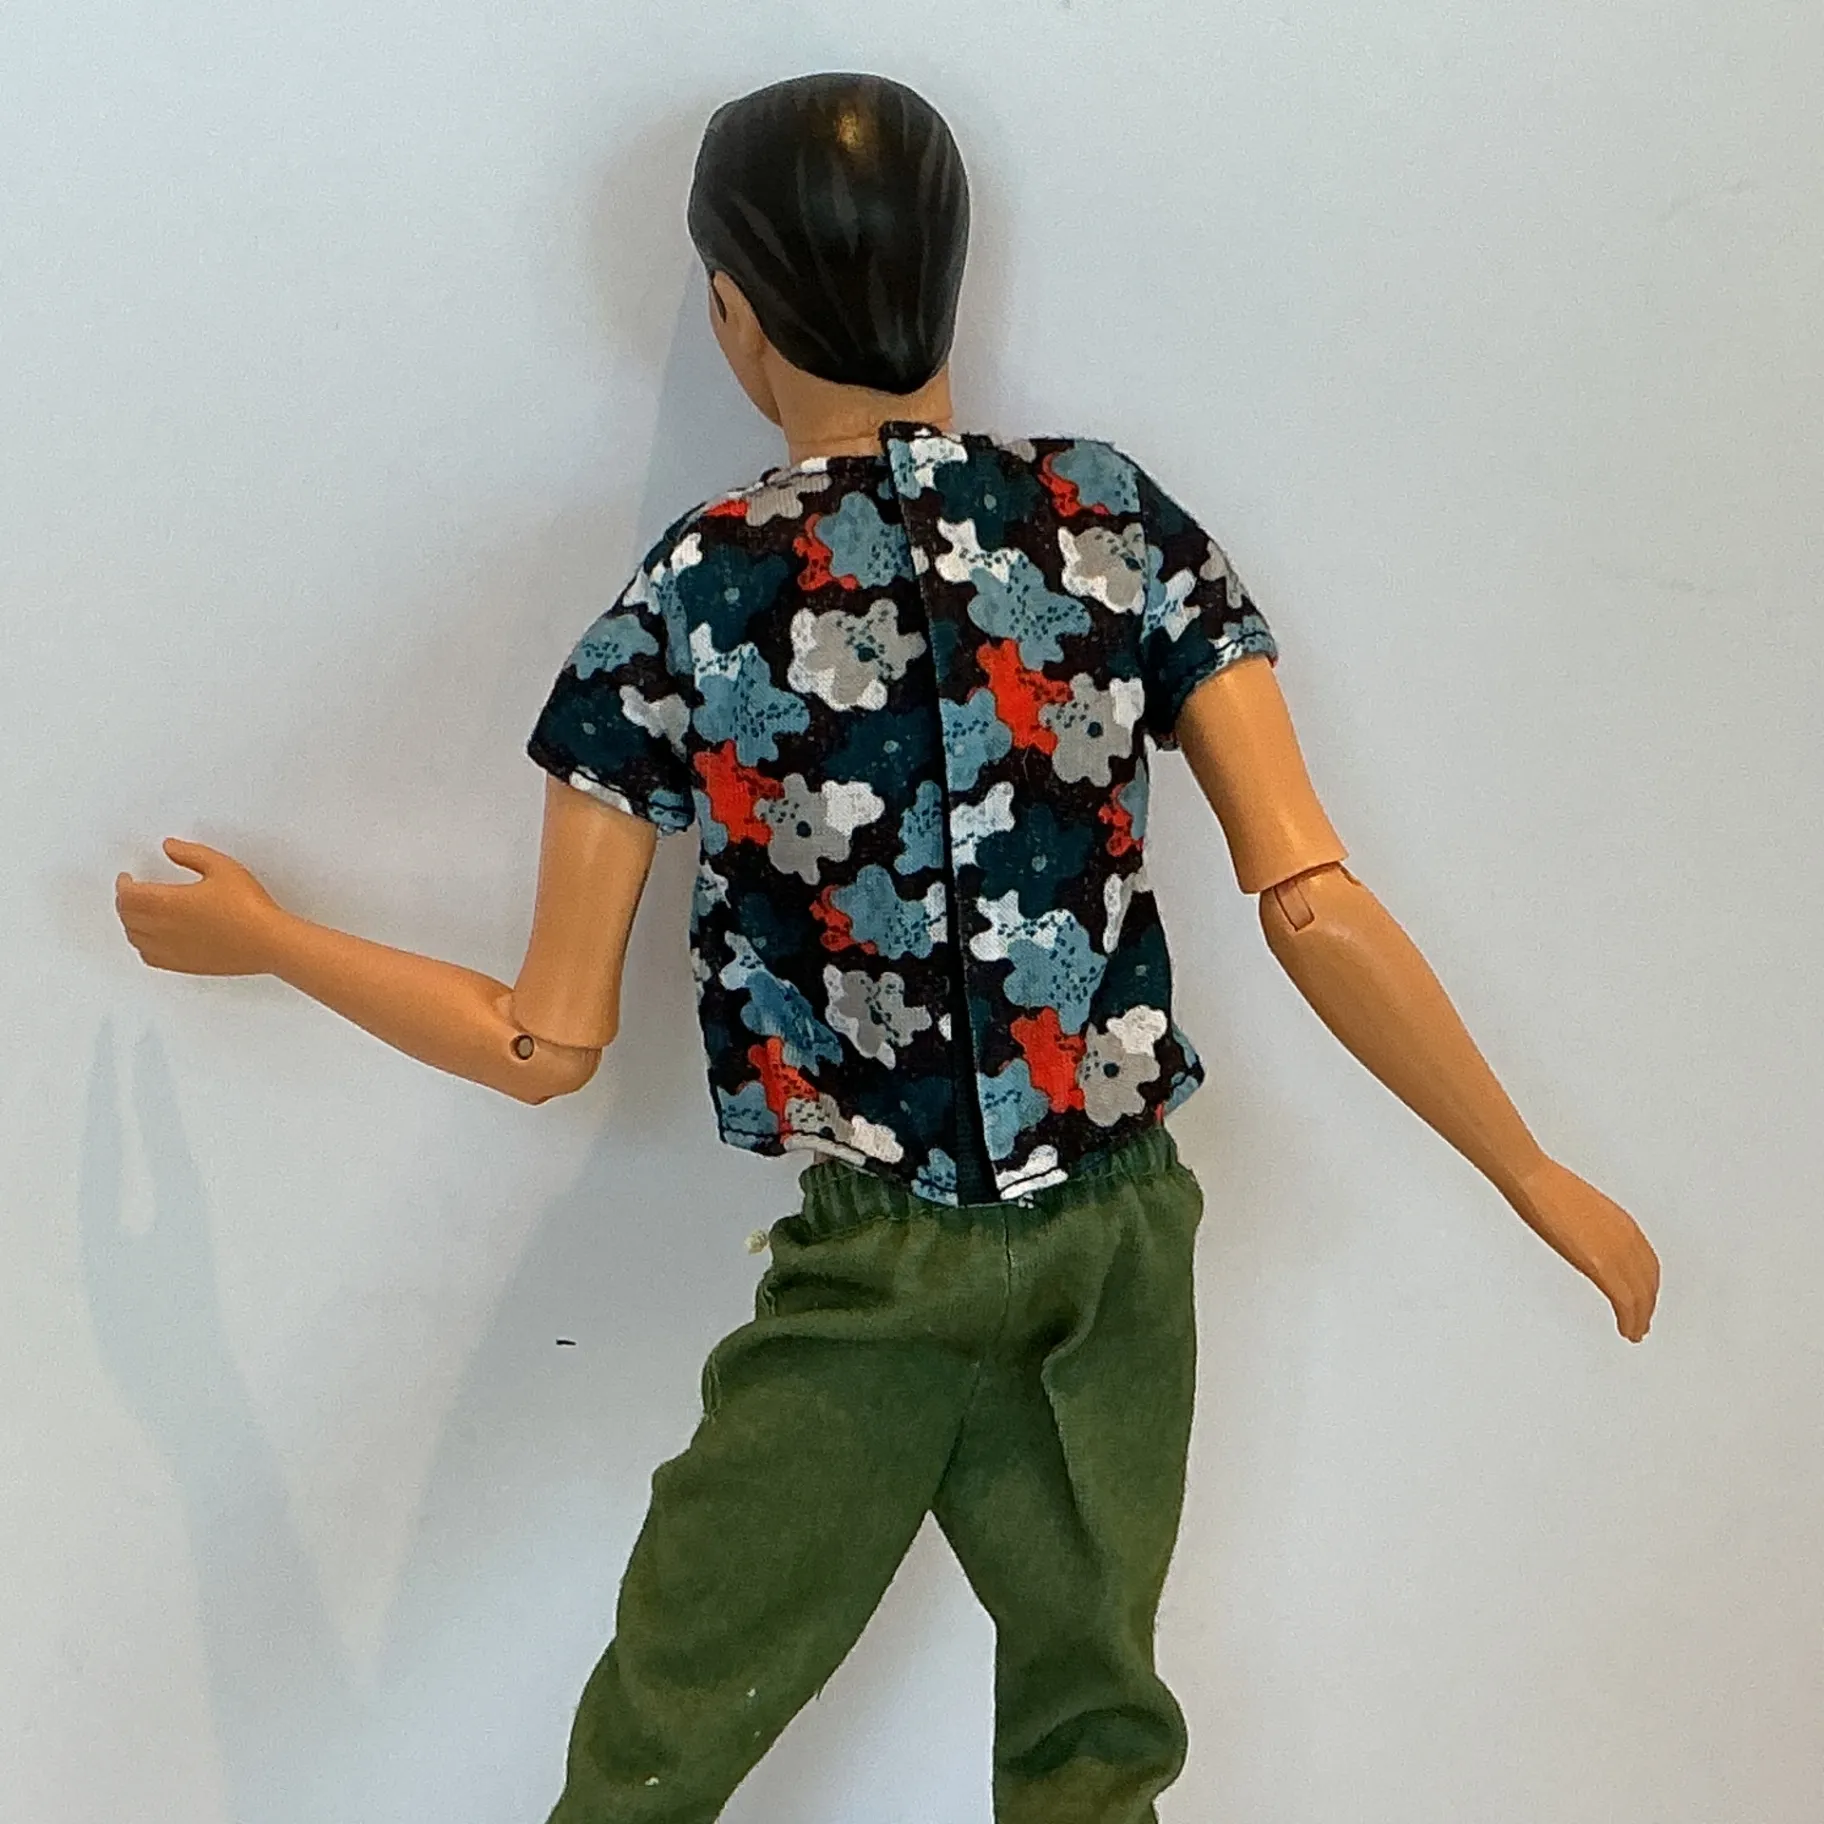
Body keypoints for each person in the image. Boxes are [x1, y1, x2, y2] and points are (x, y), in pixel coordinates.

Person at [115, 70, 1660, 1824]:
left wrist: (272, 940)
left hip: (895, 1267)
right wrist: (1526, 1165)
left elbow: (543, 1041)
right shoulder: (1111, 524)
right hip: (1115, 1245)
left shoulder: (702, 592)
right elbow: (1308, 894)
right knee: (1088, 1736)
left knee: (664, 1734)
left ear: (732, 313)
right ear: (954, 277)